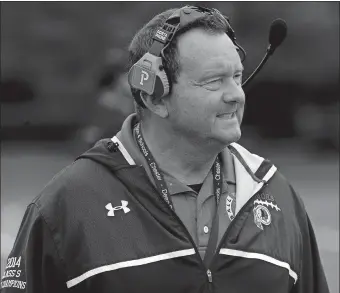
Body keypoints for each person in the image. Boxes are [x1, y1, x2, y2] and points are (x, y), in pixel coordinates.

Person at [1, 6, 329, 293]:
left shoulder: (275, 193)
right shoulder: (67, 204)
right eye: (214, 81)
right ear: (153, 96)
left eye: (238, 77)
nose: (237, 95)